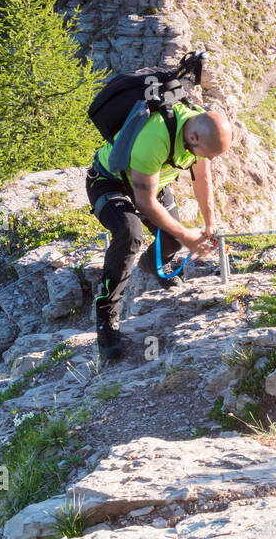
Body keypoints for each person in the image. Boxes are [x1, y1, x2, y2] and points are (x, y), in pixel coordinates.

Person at [86, 101, 234, 360]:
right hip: (109, 181)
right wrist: (187, 235)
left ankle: (151, 264)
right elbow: (145, 203)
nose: (208, 158)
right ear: (192, 137)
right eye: (207, 153)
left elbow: (203, 179)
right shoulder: (153, 138)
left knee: (171, 239)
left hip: (152, 180)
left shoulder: (197, 131)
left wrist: (210, 224)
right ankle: (106, 314)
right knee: (130, 232)